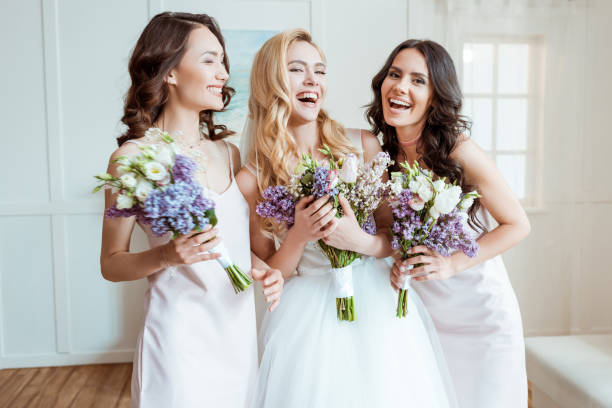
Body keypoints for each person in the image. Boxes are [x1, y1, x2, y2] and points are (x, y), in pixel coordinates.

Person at [237, 29, 457, 408]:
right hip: (305, 319)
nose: (312, 81)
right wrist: (298, 236)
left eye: (320, 71)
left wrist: (360, 241)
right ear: (270, 81)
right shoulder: (252, 178)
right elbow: (274, 273)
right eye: (296, 70)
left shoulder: (362, 144)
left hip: (378, 306)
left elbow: (393, 237)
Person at [99, 12, 283, 408]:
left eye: (223, 61)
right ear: (169, 71)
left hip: (236, 334)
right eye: (209, 60)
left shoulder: (230, 154)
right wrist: (166, 254)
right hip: (178, 339)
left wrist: (263, 269)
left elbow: (230, 243)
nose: (223, 73)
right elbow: (111, 263)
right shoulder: (132, 159)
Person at [367, 39, 531, 408]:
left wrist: (452, 263)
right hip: (424, 321)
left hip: (483, 320)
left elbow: (517, 225)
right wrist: (399, 266)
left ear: (436, 98)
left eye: (417, 80)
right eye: (394, 74)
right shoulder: (382, 160)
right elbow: (392, 235)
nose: (400, 86)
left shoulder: (460, 151)